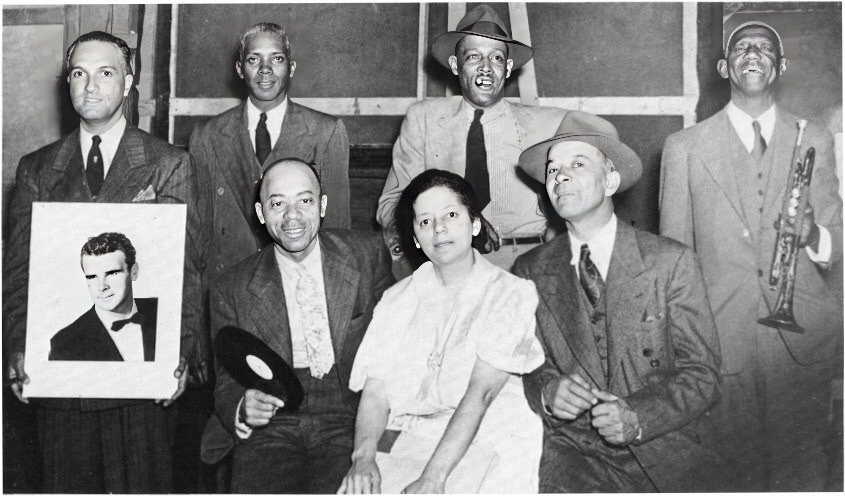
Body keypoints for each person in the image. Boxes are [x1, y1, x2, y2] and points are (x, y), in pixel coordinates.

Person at [3, 31, 198, 493]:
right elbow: (17, 274)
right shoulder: (36, 168)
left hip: (140, 377)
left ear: (128, 83)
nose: (90, 86)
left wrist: (180, 354)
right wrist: (17, 347)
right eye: (78, 73)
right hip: (62, 376)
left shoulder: (168, 162)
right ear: (67, 84)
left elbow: (186, 270)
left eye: (105, 73)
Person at [659, 20, 843, 491]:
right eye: (742, 47)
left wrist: (813, 233)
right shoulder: (683, 147)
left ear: (780, 66)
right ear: (725, 67)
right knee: (728, 476)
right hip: (721, 340)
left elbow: (837, 240)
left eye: (765, 48)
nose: (754, 54)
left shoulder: (815, 138)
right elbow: (674, 261)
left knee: (803, 476)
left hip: (801, 344)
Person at [513, 111, 724, 492]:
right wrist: (547, 393)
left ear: (610, 180)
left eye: (577, 164)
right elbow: (525, 366)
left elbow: (702, 375)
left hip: (664, 448)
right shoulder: (529, 270)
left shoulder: (670, 262)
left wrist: (639, 416)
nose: (559, 177)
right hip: (574, 457)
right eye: (552, 169)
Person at [339, 169, 545, 494]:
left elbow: (481, 394)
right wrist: (362, 458)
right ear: (416, 238)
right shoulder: (396, 300)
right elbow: (376, 392)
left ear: (475, 224)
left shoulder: (510, 294)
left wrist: (433, 478)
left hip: (489, 436)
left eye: (451, 214)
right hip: (413, 434)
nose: (439, 228)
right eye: (425, 221)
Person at [204, 158, 393, 493]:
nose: (292, 217)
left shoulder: (366, 256)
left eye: (305, 201)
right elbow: (226, 377)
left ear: (321, 206)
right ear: (262, 215)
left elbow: (393, 348)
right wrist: (242, 405)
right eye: (278, 204)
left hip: (351, 414)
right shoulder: (230, 287)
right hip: (274, 421)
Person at [191, 24, 350, 359]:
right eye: (254, 59)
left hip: (298, 293)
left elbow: (337, 231)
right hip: (229, 297)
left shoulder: (325, 131)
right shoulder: (207, 135)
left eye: (276, 58)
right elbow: (198, 235)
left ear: (290, 67)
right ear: (239, 69)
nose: (265, 70)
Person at [377, 4, 566, 273]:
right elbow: (390, 206)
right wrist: (453, 223)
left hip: (526, 262)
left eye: (497, 58)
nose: (486, 68)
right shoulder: (424, 119)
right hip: (448, 265)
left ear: (509, 67)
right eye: (474, 57)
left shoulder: (546, 124)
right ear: (455, 65)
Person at [49, 233, 157, 362]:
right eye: (92, 277)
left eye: (112, 273)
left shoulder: (164, 310)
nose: (101, 287)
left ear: (134, 272)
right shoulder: (63, 345)